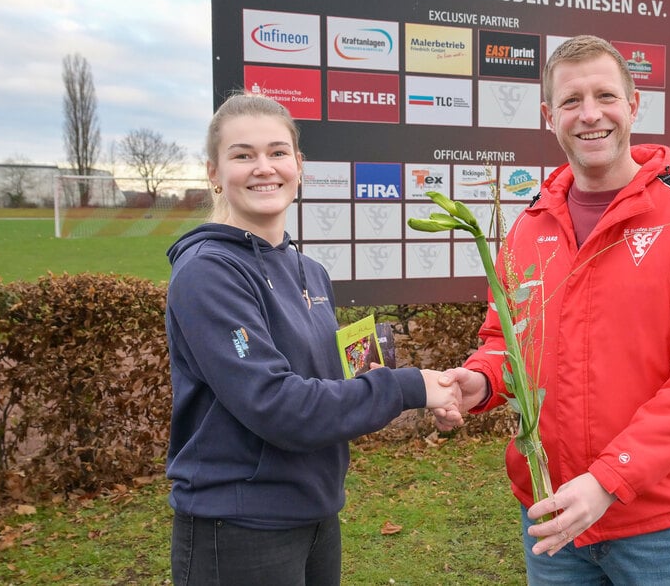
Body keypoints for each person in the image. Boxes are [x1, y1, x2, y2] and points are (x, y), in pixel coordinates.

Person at [436, 35, 670, 585]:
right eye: (572, 101)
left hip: (661, 526)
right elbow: (508, 342)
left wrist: (608, 480)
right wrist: (480, 381)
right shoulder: (530, 227)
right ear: (548, 116)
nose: (590, 115)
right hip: (556, 522)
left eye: (605, 95)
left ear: (633, 105)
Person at [165, 92, 460, 585]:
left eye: (277, 152)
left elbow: (328, 378)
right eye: (243, 155)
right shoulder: (207, 275)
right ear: (214, 173)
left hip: (317, 513)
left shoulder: (311, 271)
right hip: (238, 527)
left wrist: (411, 390)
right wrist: (409, 387)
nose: (264, 168)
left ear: (299, 165)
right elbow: (277, 405)